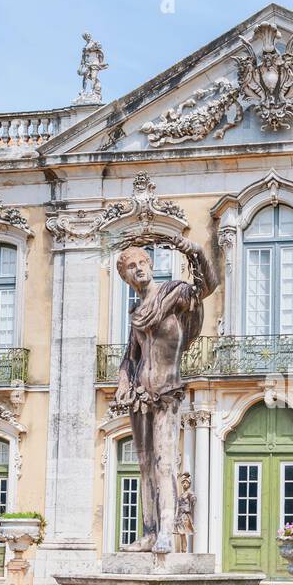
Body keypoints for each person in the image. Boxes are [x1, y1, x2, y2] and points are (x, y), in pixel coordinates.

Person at [114, 234, 219, 553]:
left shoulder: (173, 294)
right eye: (130, 267)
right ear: (125, 277)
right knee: (143, 463)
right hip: (139, 393)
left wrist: (195, 252)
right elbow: (131, 354)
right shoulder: (136, 311)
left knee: (164, 461)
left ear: (151, 264)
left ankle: (166, 532)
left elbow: (207, 286)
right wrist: (122, 379)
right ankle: (149, 531)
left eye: (141, 263)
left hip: (167, 388)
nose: (138, 269)